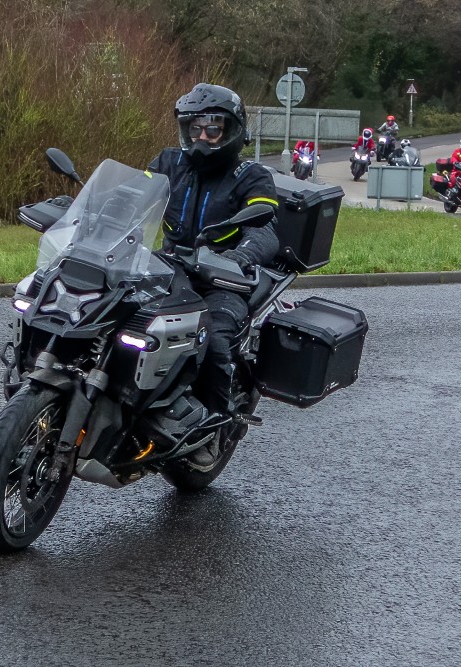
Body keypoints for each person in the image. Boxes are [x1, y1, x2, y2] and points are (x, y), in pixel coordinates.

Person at [148, 83, 280, 468]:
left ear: (232, 131)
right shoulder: (169, 162)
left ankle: (215, 426)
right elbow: (131, 198)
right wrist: (93, 215)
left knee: (214, 339)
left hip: (222, 278)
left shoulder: (251, 175)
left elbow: (265, 228)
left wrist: (238, 257)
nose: (202, 137)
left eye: (213, 129)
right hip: (171, 267)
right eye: (195, 128)